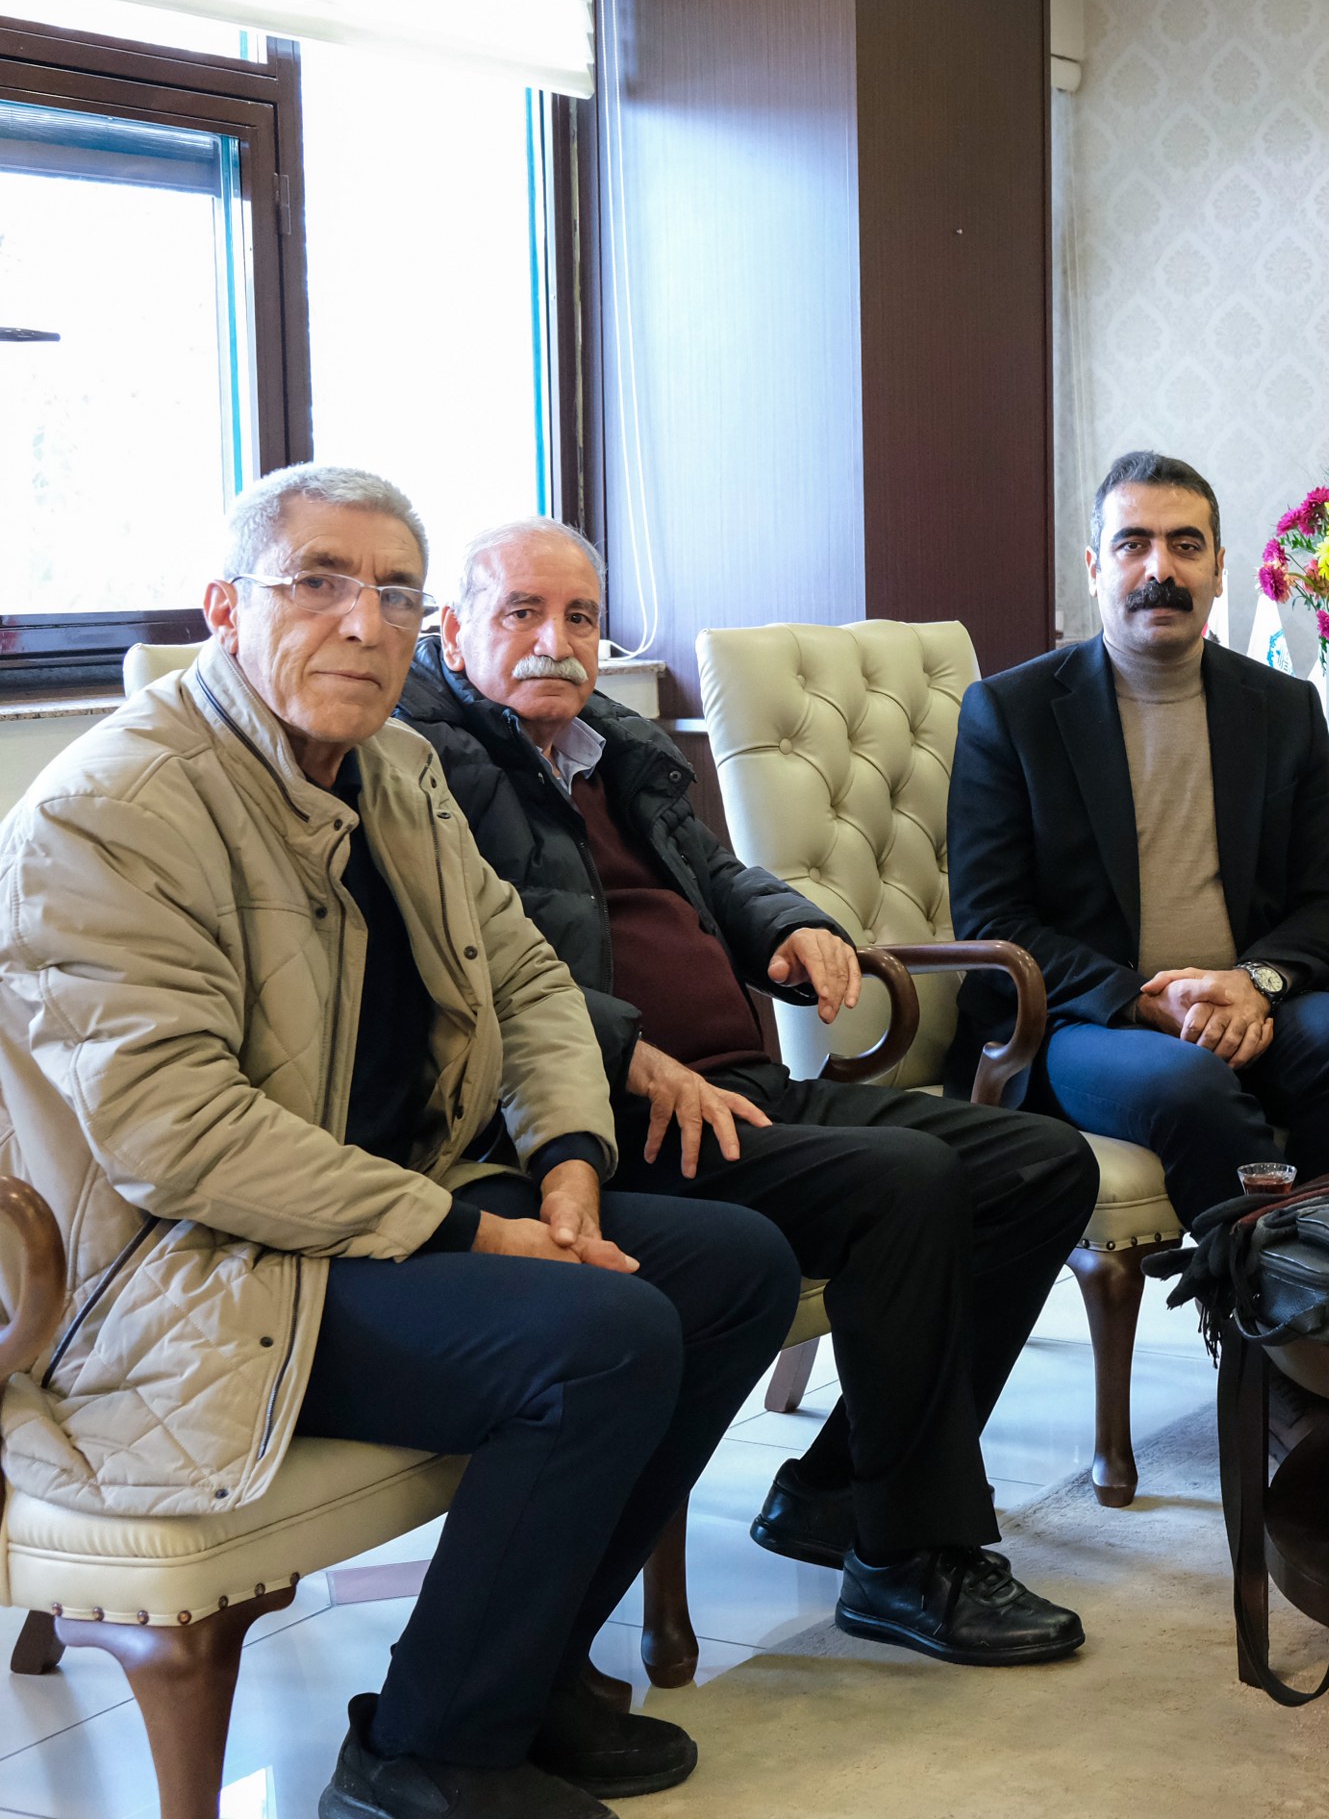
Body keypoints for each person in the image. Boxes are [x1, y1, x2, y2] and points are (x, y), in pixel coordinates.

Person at [0, 466, 801, 1819]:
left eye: (391, 591)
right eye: (316, 581)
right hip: (184, 1269)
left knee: (734, 1268)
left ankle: (522, 1676)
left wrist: (569, 1159)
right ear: (224, 609)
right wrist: (474, 1229)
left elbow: (528, 978)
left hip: (376, 1214)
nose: (361, 622)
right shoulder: (111, 813)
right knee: (601, 1335)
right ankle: (425, 1757)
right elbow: (177, 1136)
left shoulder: (400, 769)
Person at [397, 517, 1100, 1668]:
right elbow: (472, 973)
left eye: (580, 615)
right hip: (608, 1120)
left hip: (746, 1086)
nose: (555, 640)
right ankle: (909, 1557)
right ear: (454, 627)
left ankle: (840, 1488)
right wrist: (627, 1051)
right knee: (907, 1180)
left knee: (1041, 1161)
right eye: (521, 611)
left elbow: (718, 875)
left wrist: (793, 927)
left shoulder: (611, 744)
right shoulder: (421, 767)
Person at [945, 450, 1329, 1229]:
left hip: (1244, 1006)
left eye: (1186, 545)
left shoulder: (1283, 710)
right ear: (1095, 567)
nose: (1160, 569)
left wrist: (1254, 983)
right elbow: (993, 921)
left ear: (1219, 569)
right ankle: (1266, 1295)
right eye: (1133, 544)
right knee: (1187, 1085)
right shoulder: (1010, 712)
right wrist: (1143, 1001)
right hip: (1079, 1024)